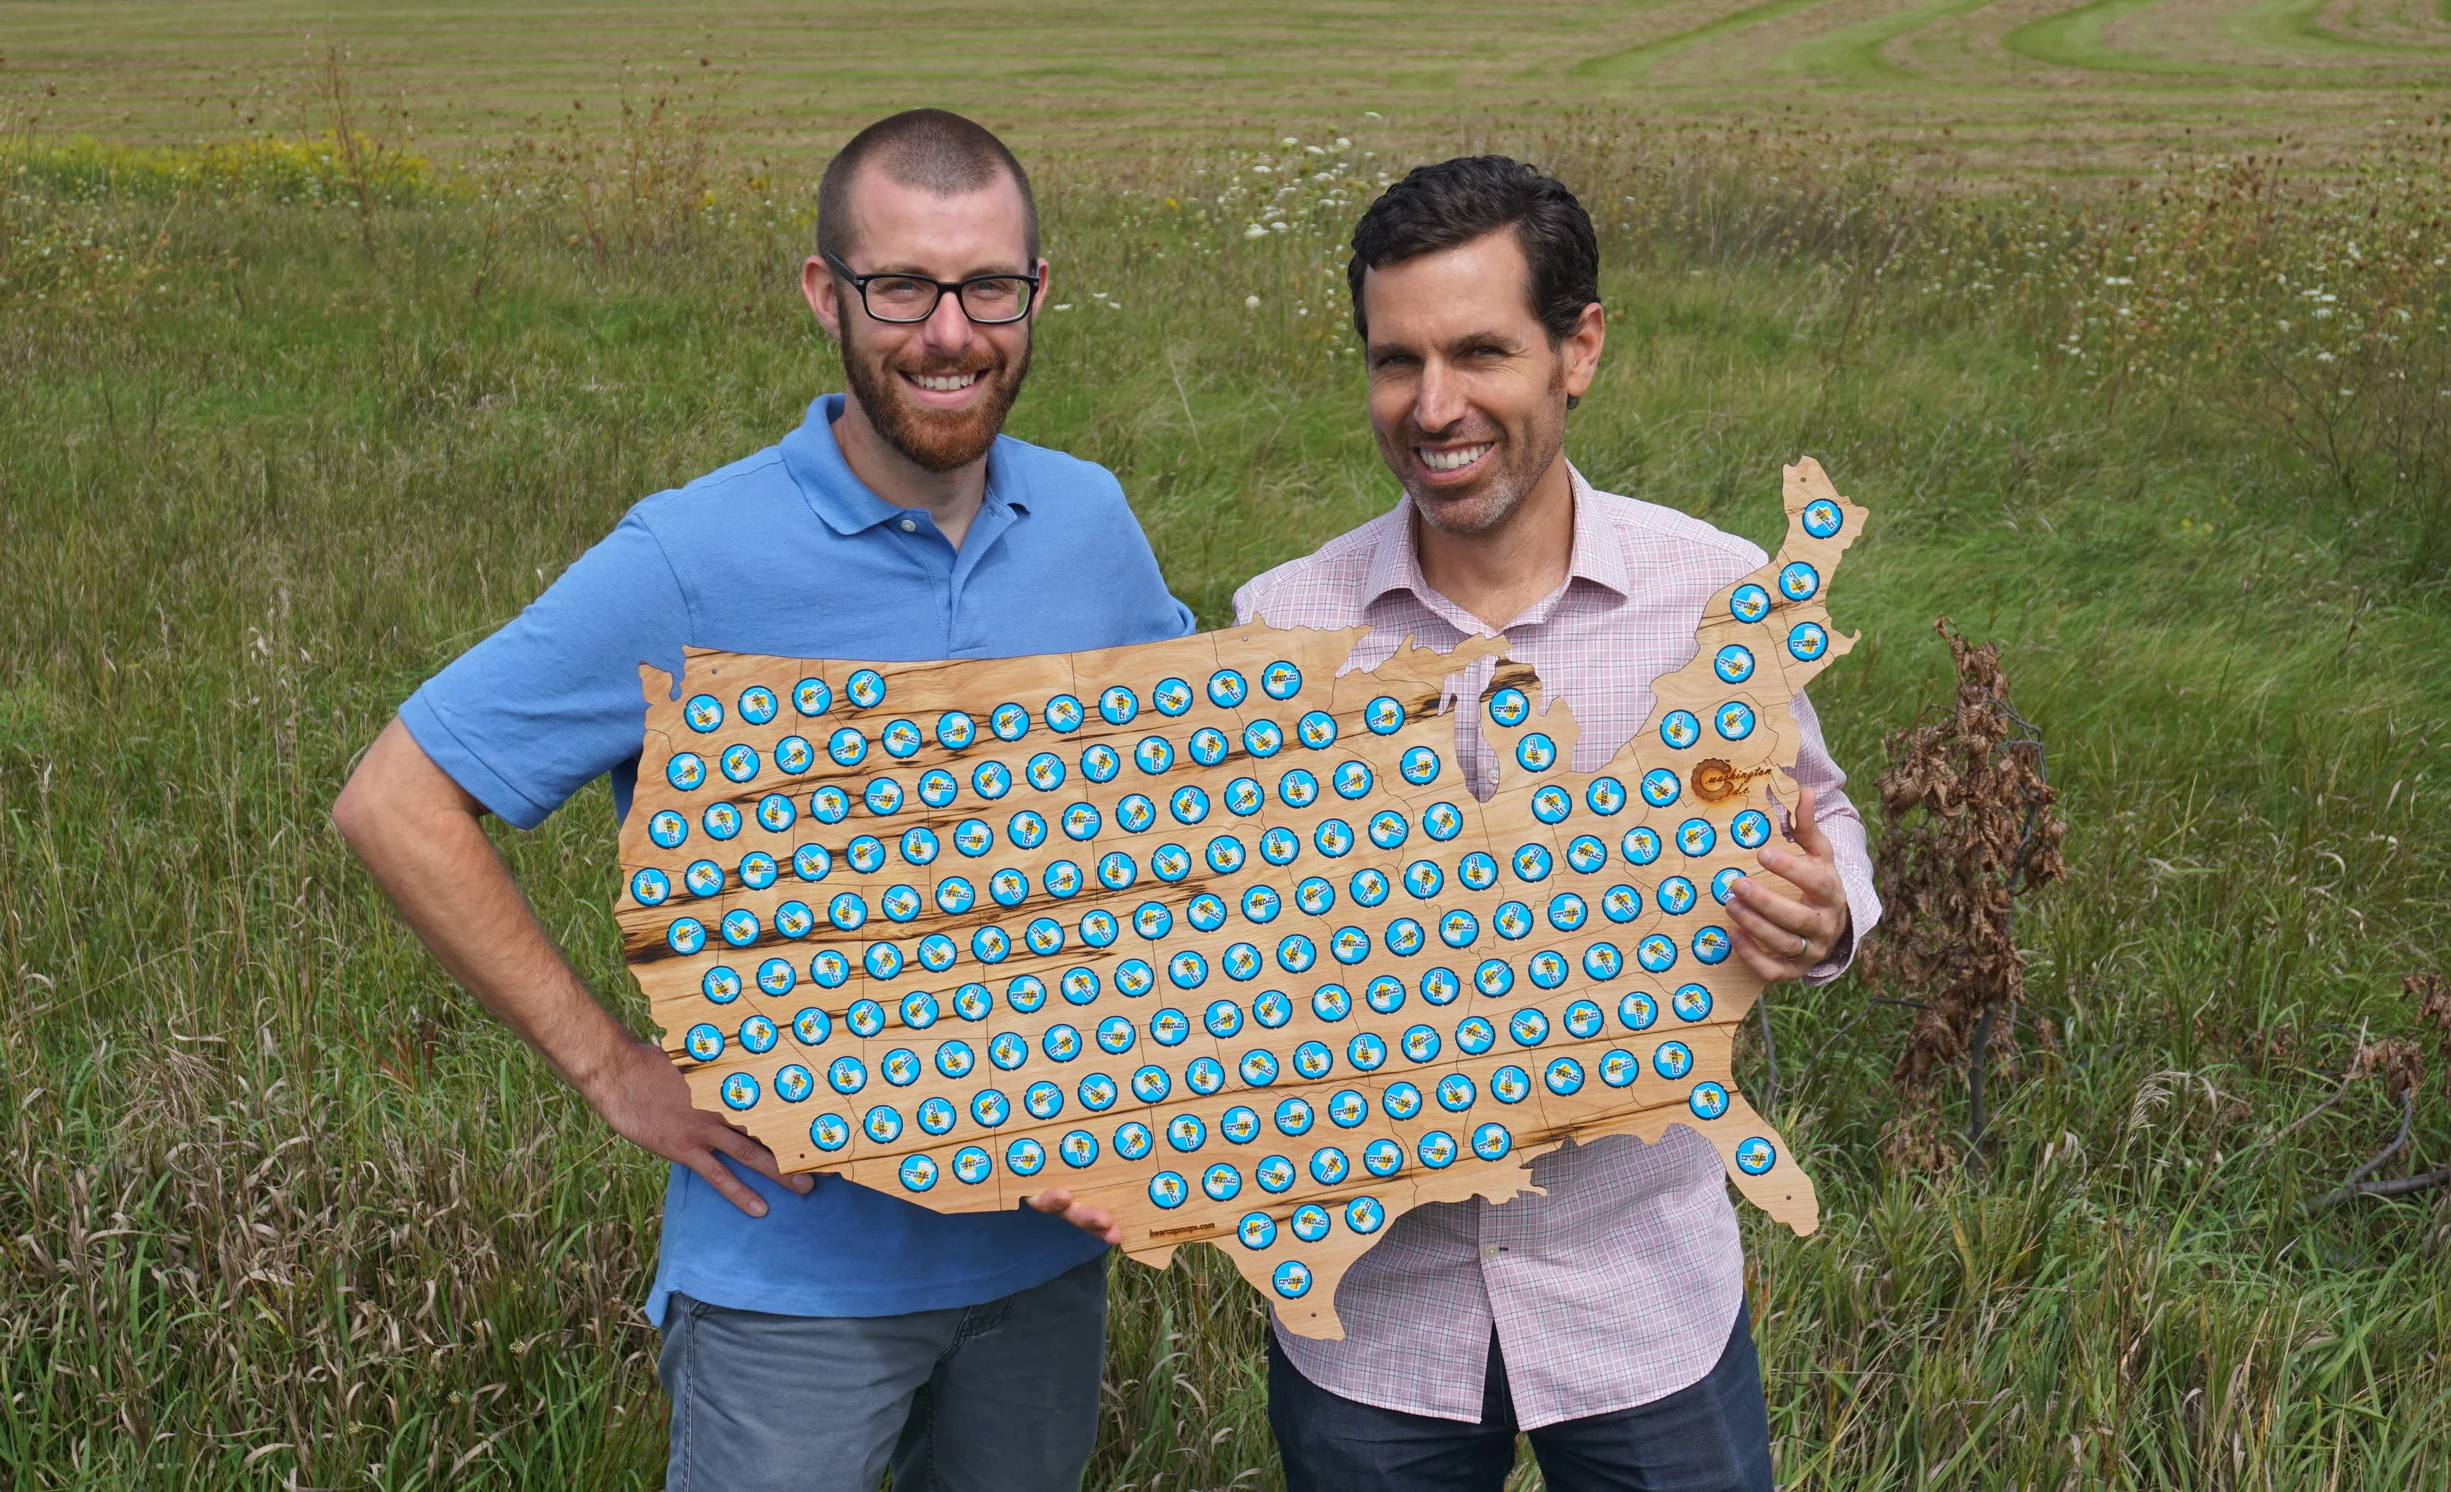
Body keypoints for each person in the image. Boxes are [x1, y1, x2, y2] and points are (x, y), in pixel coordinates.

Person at [332, 108, 1191, 1492]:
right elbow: (395, 797)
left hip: (1047, 1263)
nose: (949, 332)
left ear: (1040, 293)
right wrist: (612, 1069)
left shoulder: (1090, 523)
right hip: (795, 1283)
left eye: (989, 288)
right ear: (824, 294)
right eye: (901, 287)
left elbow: (1188, 801)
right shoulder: (692, 555)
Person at [1229, 156, 1880, 1492]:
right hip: (1374, 1320)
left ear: (1578, 349)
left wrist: (1832, 918)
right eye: (1395, 360)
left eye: (1479, 352)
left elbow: (1823, 816)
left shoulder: (1720, 595)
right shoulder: (1283, 622)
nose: (1434, 406)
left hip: (1641, 1302)